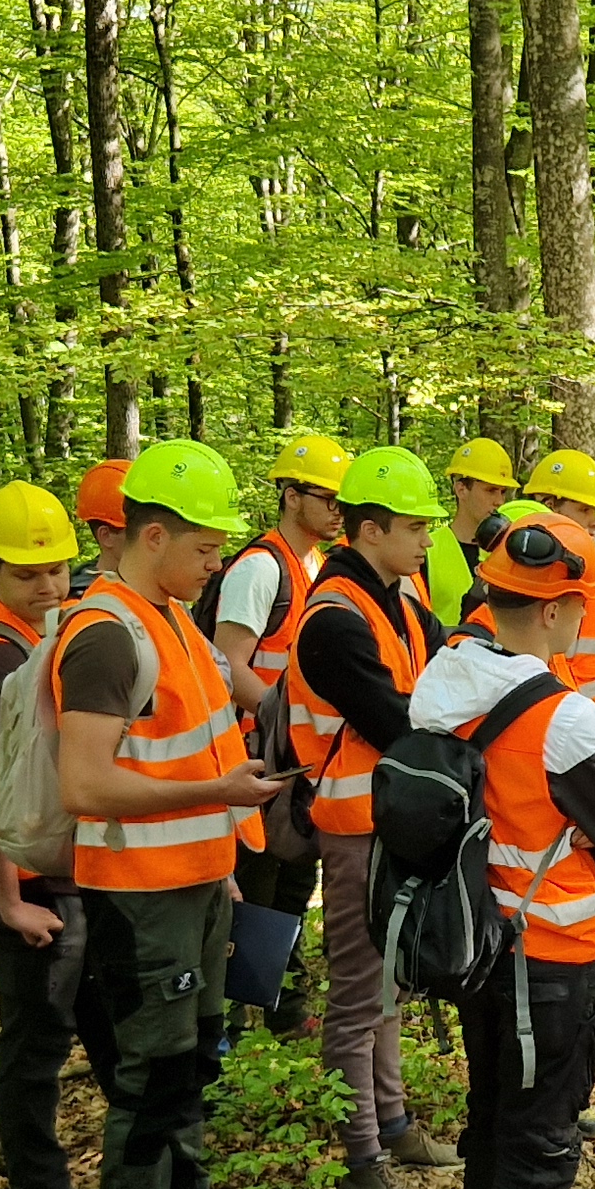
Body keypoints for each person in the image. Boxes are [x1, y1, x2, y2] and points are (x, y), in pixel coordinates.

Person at [407, 516, 595, 1189]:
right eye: (583, 605)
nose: (590, 618)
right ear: (553, 612)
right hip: (547, 953)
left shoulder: (441, 677)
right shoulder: (565, 719)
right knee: (542, 1141)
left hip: (474, 945)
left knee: (493, 1119)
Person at [51, 439, 287, 1189]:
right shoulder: (106, 636)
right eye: (205, 547)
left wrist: (220, 852)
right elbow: (85, 784)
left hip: (197, 881)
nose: (218, 563)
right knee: (150, 1078)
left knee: (190, 1066)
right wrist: (216, 796)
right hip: (138, 896)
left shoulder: (175, 621)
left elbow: (189, 751)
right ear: (153, 537)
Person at [290, 445, 456, 1189]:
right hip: (355, 826)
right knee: (360, 993)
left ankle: (392, 1124)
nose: (427, 540)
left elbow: (448, 667)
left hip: (390, 821)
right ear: (370, 530)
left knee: (390, 983)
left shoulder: (396, 599)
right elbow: (399, 721)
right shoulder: (334, 618)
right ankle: (361, 1160)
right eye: (415, 528)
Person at [0, 480, 107, 1189]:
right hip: (18, 876)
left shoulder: (46, 640)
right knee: (37, 1037)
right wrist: (10, 902)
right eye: (26, 573)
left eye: (57, 570)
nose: (47, 585)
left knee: (85, 1020)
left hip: (57, 868)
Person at [211, 434, 346, 1039]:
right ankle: (235, 1018)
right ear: (291, 496)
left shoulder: (317, 566)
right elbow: (228, 664)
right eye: (327, 498)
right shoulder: (260, 568)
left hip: (299, 760)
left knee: (295, 881)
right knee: (255, 886)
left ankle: (283, 1006)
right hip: (257, 757)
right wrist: (281, 720)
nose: (339, 511)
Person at [425, 437, 518, 628]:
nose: (499, 501)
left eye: (503, 492)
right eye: (490, 490)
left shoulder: (509, 551)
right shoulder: (427, 550)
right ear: (461, 489)